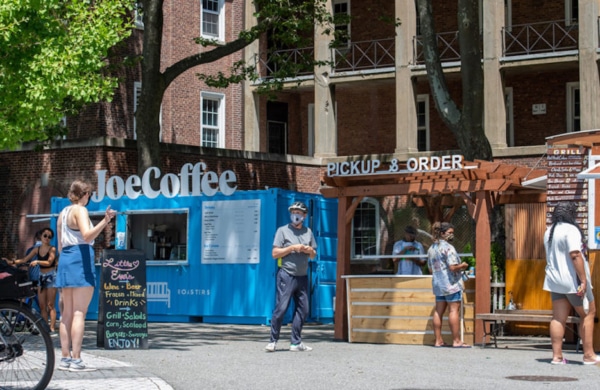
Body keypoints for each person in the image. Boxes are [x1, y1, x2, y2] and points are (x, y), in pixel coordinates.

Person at [55, 180, 116, 372]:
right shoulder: (80, 211)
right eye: (89, 194)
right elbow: (88, 236)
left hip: (65, 259)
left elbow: (59, 246)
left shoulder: (62, 214)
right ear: (85, 194)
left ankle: (65, 358)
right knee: (79, 312)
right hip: (80, 258)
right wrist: (105, 222)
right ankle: (77, 359)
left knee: (65, 313)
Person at [543, 201, 598, 365]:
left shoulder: (549, 231)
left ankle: (557, 356)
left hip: (555, 281)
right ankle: (588, 355)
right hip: (573, 281)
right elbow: (575, 254)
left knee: (558, 318)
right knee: (588, 313)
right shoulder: (571, 230)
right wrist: (583, 279)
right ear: (571, 214)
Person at [265, 201, 317, 352]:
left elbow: (314, 255)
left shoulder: (308, 232)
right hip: (286, 274)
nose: (296, 215)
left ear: (304, 216)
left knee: (304, 309)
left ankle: (296, 342)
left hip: (302, 276)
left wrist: (309, 250)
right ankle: (273, 341)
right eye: (293, 212)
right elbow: (274, 254)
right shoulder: (282, 231)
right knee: (281, 308)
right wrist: (292, 248)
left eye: (299, 213)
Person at [427, 222, 470, 348]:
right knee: (453, 310)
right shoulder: (449, 248)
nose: (452, 235)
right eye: (450, 233)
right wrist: (463, 266)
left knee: (438, 311)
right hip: (451, 284)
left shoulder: (431, 249)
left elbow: (430, 269)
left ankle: (438, 340)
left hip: (438, 284)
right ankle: (456, 341)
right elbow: (452, 267)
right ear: (442, 233)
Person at [14, 228, 58, 332]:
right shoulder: (36, 249)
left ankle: (51, 327)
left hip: (51, 276)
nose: (47, 238)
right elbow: (24, 260)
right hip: (41, 277)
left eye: (49, 236)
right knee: (42, 305)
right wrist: (12, 262)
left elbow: (49, 261)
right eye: (45, 235)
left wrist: (37, 261)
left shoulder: (52, 249)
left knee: (50, 305)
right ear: (41, 236)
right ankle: (44, 327)